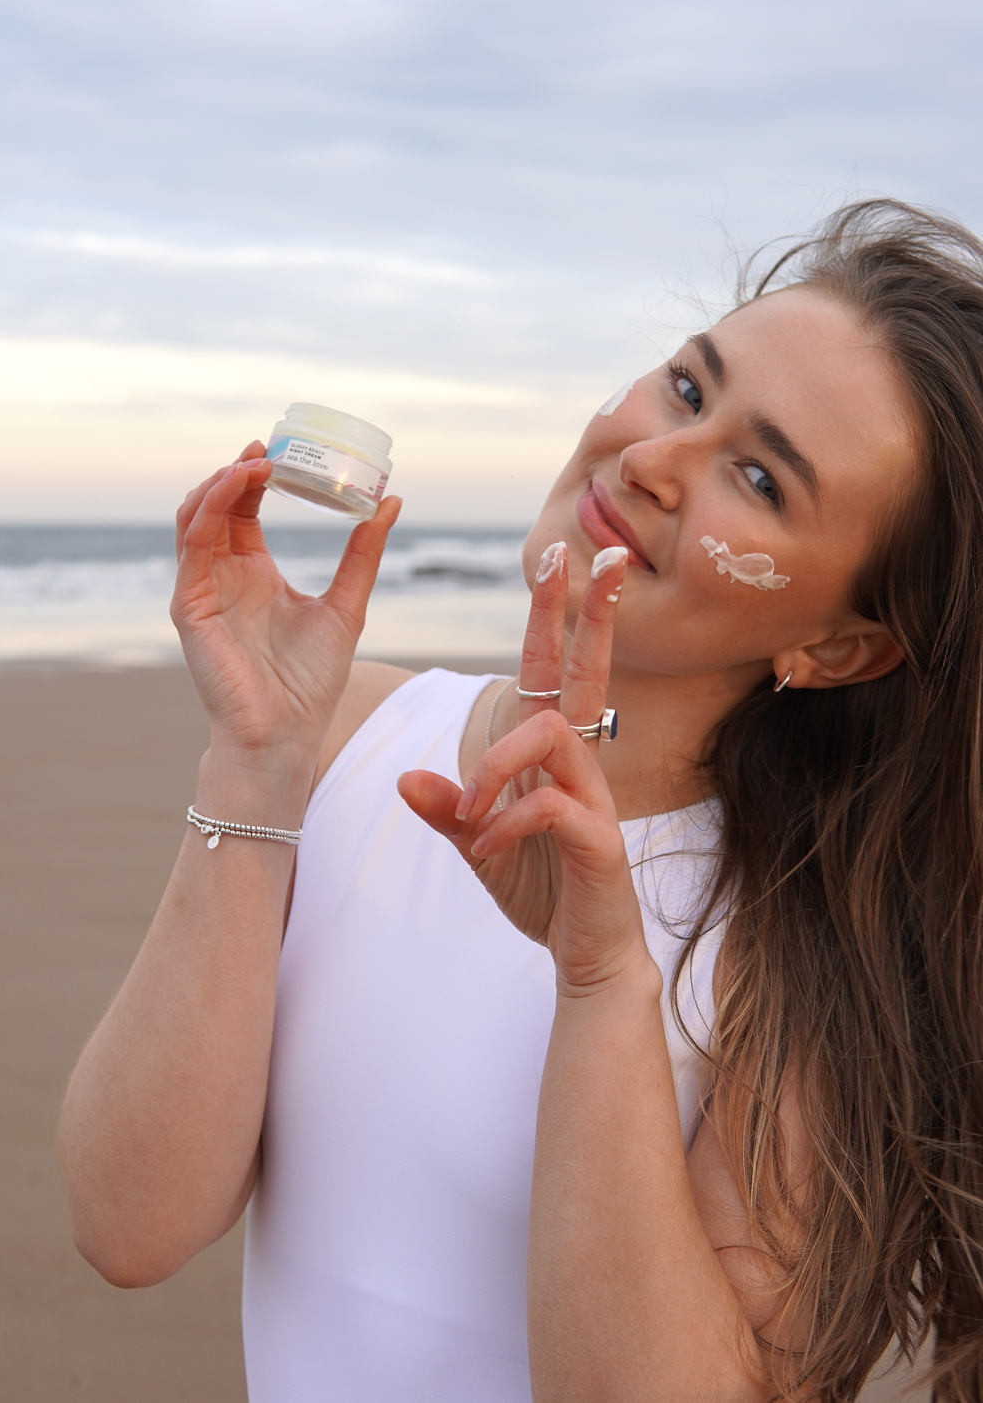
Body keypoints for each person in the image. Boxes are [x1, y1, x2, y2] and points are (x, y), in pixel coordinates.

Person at [59, 200, 983, 1401]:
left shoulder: (800, 947)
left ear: (841, 650)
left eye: (757, 477)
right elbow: (128, 1223)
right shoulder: (345, 738)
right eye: (688, 390)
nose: (651, 462)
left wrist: (598, 980)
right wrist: (257, 759)